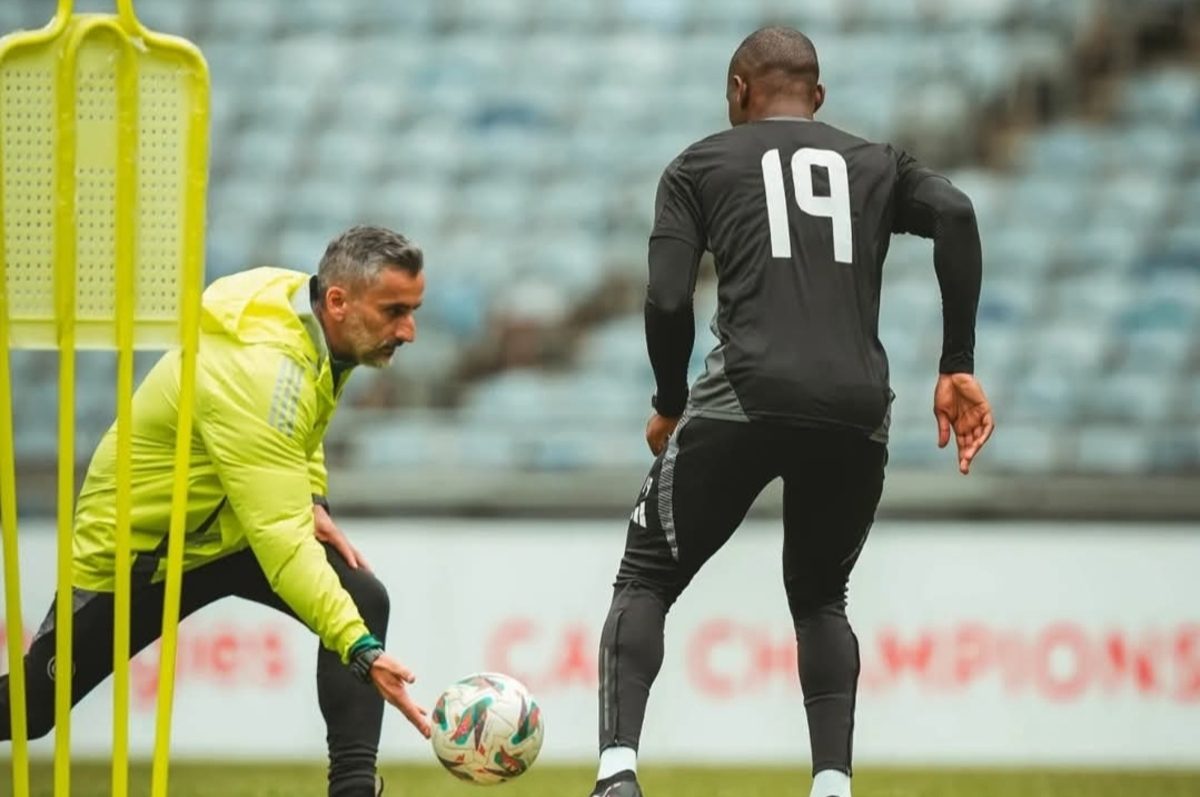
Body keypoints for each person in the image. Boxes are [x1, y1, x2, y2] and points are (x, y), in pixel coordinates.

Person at [589, 26, 994, 797]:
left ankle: (617, 775)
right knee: (820, 597)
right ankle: (832, 785)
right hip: (855, 408)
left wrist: (669, 402)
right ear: (819, 97)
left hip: (744, 394)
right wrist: (957, 364)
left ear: (739, 90)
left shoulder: (698, 165)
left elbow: (668, 296)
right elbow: (959, 213)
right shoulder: (878, 163)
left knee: (645, 578)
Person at [0, 225, 431, 797]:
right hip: (143, 553)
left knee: (362, 594)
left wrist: (313, 499)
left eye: (413, 309)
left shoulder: (314, 322)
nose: (409, 330)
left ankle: (352, 791)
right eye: (395, 310)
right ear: (337, 300)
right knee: (33, 712)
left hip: (226, 531)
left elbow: (305, 427)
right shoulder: (262, 371)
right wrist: (362, 650)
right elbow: (281, 542)